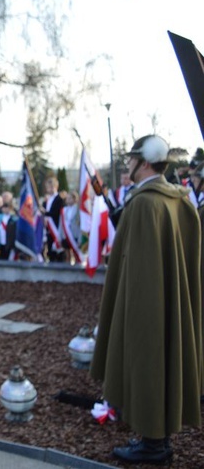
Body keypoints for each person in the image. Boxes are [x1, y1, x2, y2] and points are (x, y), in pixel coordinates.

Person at [90, 134, 202, 464]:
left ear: (145, 162)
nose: (128, 165)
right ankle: (156, 439)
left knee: (149, 363)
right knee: (165, 361)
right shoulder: (176, 199)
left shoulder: (145, 203)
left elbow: (137, 267)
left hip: (147, 305)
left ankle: (154, 444)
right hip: (170, 301)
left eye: (132, 159)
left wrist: (131, 312)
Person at [42, 176, 65, 262]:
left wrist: (46, 213)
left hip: (56, 228)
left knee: (58, 251)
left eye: (52, 187)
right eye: (48, 187)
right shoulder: (46, 200)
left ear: (56, 187)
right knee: (50, 250)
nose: (50, 189)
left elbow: (57, 213)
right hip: (48, 229)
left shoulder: (59, 199)